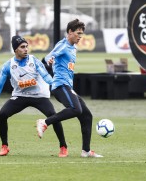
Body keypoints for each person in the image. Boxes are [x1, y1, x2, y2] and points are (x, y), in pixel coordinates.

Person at [0, 35, 68, 157]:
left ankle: (63, 146)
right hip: (20, 96)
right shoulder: (8, 65)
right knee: (2, 114)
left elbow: (47, 77)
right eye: (22, 47)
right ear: (15, 50)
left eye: (27, 46)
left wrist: (58, 88)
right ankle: (4, 146)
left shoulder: (34, 61)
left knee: (53, 116)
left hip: (39, 96)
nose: (26, 49)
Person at [36, 19, 103, 158]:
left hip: (67, 87)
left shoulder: (73, 47)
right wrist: (50, 59)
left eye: (82, 34)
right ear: (70, 32)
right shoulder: (63, 45)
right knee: (76, 109)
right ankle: (44, 122)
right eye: (78, 33)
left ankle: (86, 151)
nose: (80, 36)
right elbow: (50, 55)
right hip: (60, 86)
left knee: (86, 115)